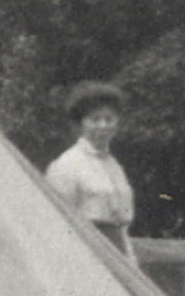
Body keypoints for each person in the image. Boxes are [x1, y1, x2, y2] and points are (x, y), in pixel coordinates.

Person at [44, 82, 135, 254]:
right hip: (87, 251)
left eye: (109, 119)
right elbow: (58, 222)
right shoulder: (67, 165)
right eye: (95, 119)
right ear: (81, 124)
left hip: (119, 251)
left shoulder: (115, 167)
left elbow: (122, 227)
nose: (103, 126)